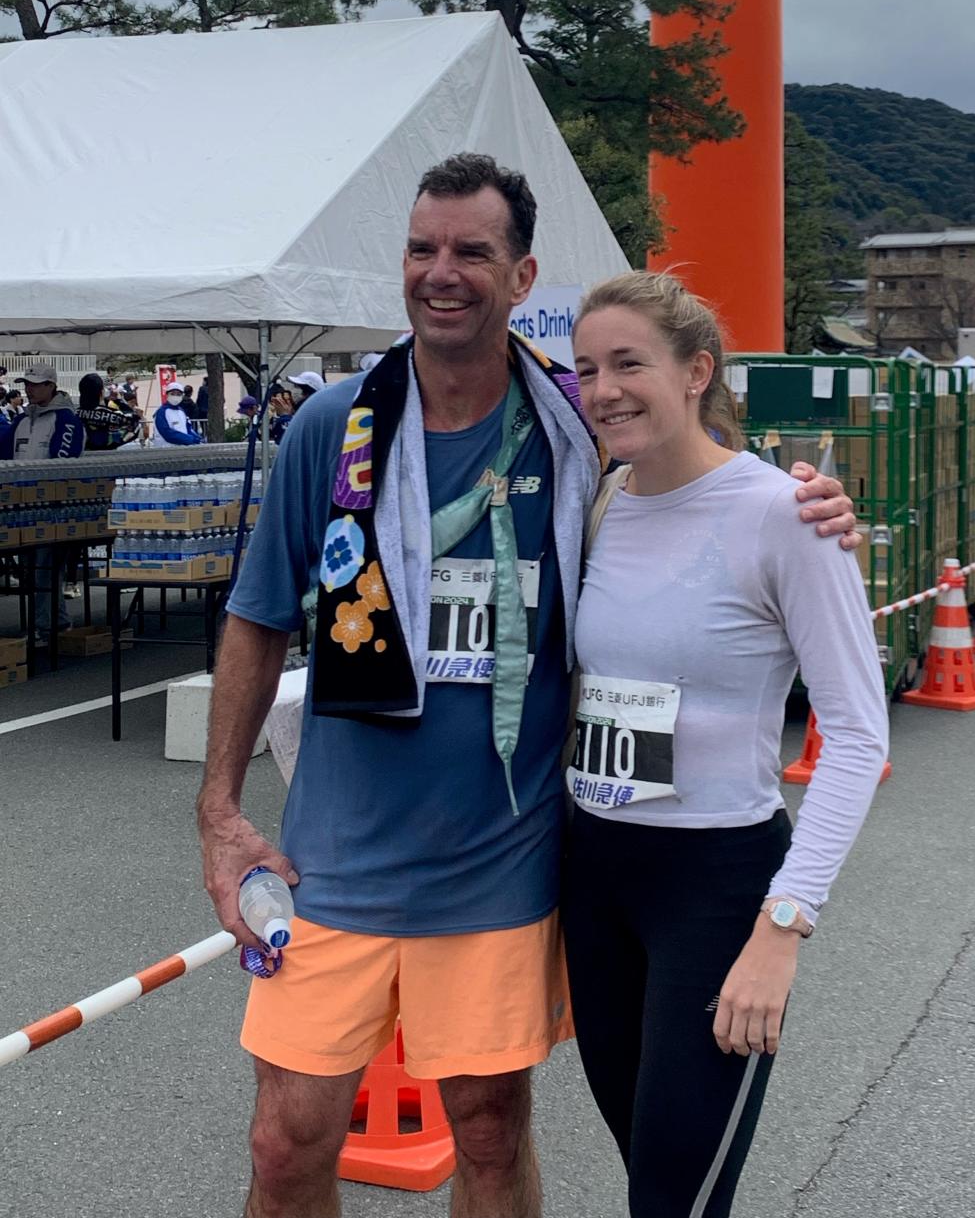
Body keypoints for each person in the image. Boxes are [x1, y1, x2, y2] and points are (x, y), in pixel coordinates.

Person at [196, 152, 859, 1218]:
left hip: (502, 860)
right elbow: (257, 617)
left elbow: (695, 482)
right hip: (336, 859)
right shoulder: (335, 429)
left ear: (522, 274)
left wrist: (810, 508)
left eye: (472, 251)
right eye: (422, 249)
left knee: (493, 1136)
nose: (441, 272)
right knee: (285, 1140)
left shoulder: (575, 432)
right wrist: (221, 814)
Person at [563, 272, 888, 1217]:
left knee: (675, 1193)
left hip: (716, 884)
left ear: (698, 370)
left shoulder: (784, 514)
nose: (604, 388)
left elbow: (858, 735)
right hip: (594, 876)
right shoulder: (599, 504)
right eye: (587, 369)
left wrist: (782, 927)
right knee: (644, 1161)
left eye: (630, 363)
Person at [2, 363, 84, 641]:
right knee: (32, 571)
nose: (29, 388)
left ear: (51, 385)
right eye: (27, 383)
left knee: (45, 571)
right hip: (21, 508)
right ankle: (56, 623)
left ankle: (47, 627)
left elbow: (64, 463)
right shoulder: (21, 420)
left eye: (35, 383)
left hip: (53, 508)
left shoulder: (66, 420)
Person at [77, 372, 143, 451]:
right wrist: (118, 401)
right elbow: (135, 423)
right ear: (101, 392)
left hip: (80, 457)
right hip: (106, 458)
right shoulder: (113, 416)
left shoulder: (75, 414)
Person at [152, 381, 204, 447]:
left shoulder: (181, 411)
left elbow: (188, 428)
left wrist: (197, 438)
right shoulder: (161, 412)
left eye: (178, 394)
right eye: (173, 394)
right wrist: (190, 439)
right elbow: (167, 434)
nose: (175, 396)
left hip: (182, 450)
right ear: (167, 394)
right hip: (165, 450)